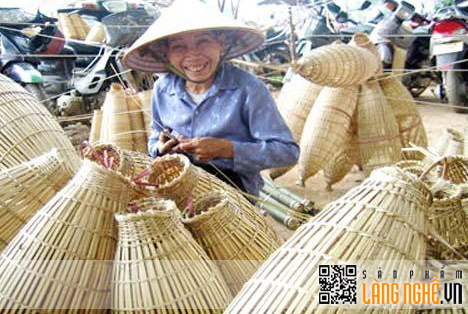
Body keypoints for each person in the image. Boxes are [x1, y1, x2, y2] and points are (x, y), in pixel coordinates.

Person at [123, 0, 299, 197]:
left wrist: (227, 149)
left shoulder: (247, 89)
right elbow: (155, 135)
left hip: (233, 192)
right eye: (178, 46)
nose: (193, 55)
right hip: (177, 185)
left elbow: (287, 152)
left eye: (203, 41)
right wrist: (160, 147)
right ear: (166, 54)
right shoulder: (163, 89)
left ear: (221, 44)